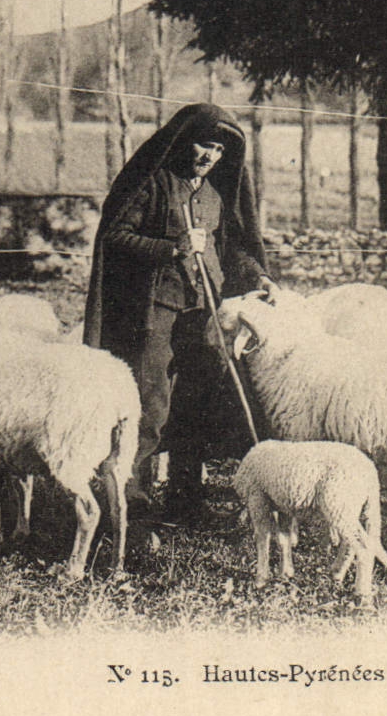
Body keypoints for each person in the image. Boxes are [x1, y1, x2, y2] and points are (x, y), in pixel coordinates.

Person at [83, 102, 274, 523]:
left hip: (202, 315)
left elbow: (231, 249)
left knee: (197, 404)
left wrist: (258, 276)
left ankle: (187, 497)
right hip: (155, 312)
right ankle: (131, 501)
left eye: (220, 152)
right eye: (205, 146)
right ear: (187, 141)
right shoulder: (154, 184)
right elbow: (116, 236)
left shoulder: (213, 196)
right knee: (151, 406)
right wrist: (172, 249)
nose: (211, 157)